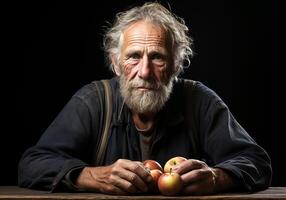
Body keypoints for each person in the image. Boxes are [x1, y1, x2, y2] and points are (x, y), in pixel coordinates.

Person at [18, 2, 272, 195]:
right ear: (116, 63)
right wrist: (92, 176)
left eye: (158, 57)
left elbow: (257, 163)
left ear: (176, 64)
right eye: (133, 56)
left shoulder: (199, 100)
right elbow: (32, 165)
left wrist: (217, 177)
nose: (145, 72)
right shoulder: (94, 100)